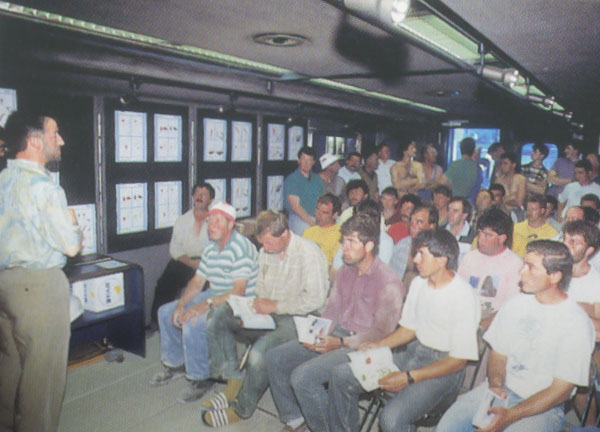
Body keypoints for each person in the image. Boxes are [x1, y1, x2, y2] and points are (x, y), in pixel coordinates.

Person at [328, 229, 481, 432]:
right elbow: (409, 329)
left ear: (442, 260)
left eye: (421, 254)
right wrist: (378, 345)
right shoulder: (419, 283)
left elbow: (458, 361)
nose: (415, 259)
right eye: (415, 253)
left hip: (443, 368)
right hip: (413, 352)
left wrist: (409, 377)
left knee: (390, 419)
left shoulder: (463, 296)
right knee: (341, 376)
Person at [266, 213, 406, 432]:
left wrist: (339, 342)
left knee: (303, 378)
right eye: (343, 241)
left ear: (369, 245)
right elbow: (331, 311)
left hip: (365, 346)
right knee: (276, 357)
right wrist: (314, 334)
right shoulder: (344, 272)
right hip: (337, 335)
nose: (344, 248)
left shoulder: (389, 282)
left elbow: (382, 333)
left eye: (351, 242)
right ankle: (295, 418)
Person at [436, 240, 595, 432]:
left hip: (542, 406)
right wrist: (495, 384)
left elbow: (561, 391)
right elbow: (498, 353)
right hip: (502, 388)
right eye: (524, 265)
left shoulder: (576, 322)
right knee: (447, 427)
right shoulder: (516, 304)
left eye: (531, 268)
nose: (521, 272)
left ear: (554, 276)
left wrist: (511, 415)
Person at [201, 210, 329, 427]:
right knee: (219, 316)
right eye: (263, 244)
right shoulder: (266, 251)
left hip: (302, 318)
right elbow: (260, 285)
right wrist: (251, 311)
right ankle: (234, 381)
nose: (265, 249)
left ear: (285, 234)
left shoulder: (309, 253)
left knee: (260, 353)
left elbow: (315, 300)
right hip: (269, 311)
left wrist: (276, 306)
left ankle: (243, 409)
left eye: (269, 243)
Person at [0, 111, 83, 432]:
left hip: (4, 287)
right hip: (39, 290)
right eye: (54, 134)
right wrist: (74, 224)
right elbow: (71, 246)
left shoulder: (4, 181)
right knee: (42, 385)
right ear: (34, 142)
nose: (60, 140)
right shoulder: (45, 188)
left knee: (8, 374)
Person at [150, 202, 259, 403]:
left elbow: (238, 291)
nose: (211, 225)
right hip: (215, 293)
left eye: (218, 221)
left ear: (230, 225)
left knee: (194, 321)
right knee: (166, 312)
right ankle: (176, 364)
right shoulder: (210, 246)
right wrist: (182, 303)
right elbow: (198, 281)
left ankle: (201, 377)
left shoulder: (241, 247)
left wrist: (203, 305)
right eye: (210, 220)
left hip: (239, 302)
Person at [149, 182, 214, 328]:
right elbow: (175, 249)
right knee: (164, 284)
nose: (199, 197)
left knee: (207, 291)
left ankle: (196, 325)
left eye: (204, 194)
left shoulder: (215, 221)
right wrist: (191, 263)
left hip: (208, 263)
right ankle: (157, 322)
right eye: (197, 193)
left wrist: (203, 264)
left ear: (210, 200)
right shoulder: (182, 220)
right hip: (185, 261)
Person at [458, 208, 522, 330]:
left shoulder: (515, 264)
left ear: (502, 238)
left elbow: (510, 308)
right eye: (479, 233)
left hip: (495, 322)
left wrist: (481, 327)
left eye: (487, 235)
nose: (480, 239)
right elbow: (459, 294)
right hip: (467, 316)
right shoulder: (470, 257)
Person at [389, 203, 438, 288]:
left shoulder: (438, 252)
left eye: (419, 222)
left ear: (431, 226)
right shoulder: (402, 245)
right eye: (411, 221)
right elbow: (390, 278)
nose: (412, 225)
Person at [284, 146, 324, 235]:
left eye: (309, 160)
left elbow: (322, 200)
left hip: (316, 217)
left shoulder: (317, 179)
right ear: (298, 161)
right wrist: (312, 223)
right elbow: (296, 207)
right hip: (299, 218)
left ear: (313, 162)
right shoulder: (292, 179)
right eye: (303, 159)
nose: (306, 163)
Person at [302, 193, 342, 266]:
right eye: (317, 210)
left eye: (324, 213)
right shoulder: (308, 231)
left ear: (335, 215)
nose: (318, 215)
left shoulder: (340, 235)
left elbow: (336, 266)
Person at [446, 197, 475, 261]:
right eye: (448, 210)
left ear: (464, 215)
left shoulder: (474, 237)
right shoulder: (439, 233)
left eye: (455, 211)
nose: (450, 214)